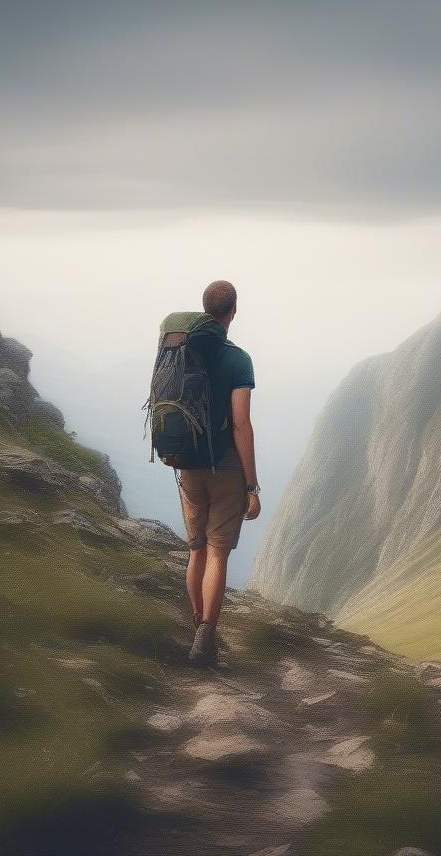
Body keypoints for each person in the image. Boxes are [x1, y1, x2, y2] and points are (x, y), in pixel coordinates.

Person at [178, 280, 261, 666]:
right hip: (225, 466)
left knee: (195, 549)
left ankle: (198, 630)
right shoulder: (238, 359)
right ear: (234, 311)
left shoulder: (180, 352)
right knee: (217, 553)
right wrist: (252, 485)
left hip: (187, 464)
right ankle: (206, 641)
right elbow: (241, 424)